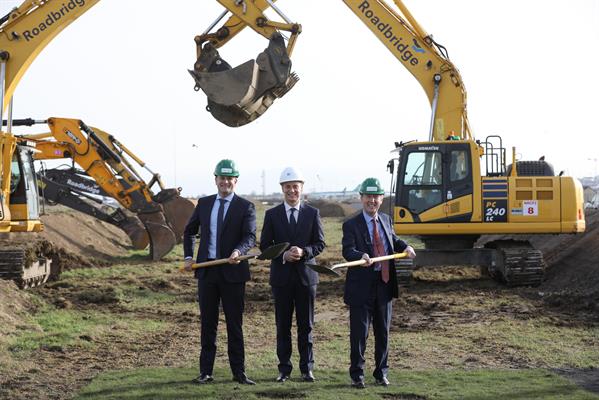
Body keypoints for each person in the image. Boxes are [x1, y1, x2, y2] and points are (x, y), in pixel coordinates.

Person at [183, 159, 257, 385]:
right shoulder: (204, 204)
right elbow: (189, 232)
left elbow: (250, 237)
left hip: (233, 273)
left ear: (235, 181)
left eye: (229, 178)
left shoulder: (246, 207)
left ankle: (239, 372)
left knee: (234, 324)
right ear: (215, 179)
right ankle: (206, 372)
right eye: (221, 178)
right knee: (208, 323)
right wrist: (188, 256)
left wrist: (238, 250)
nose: (225, 182)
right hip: (207, 273)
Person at [341, 177, 416, 389]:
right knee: (359, 334)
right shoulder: (351, 224)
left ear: (381, 199)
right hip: (361, 287)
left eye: (376, 196)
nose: (372, 201)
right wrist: (361, 255)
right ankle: (357, 375)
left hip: (384, 284)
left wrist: (406, 246)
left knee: (382, 332)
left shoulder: (385, 219)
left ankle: (381, 373)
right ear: (361, 198)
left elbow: (393, 240)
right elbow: (347, 250)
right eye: (368, 197)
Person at [260, 167, 325, 383]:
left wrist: (304, 252)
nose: (292, 191)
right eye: (288, 187)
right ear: (282, 189)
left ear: (301, 188)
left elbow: (320, 243)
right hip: (281, 279)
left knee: (306, 326)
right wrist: (283, 255)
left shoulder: (312, 213)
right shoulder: (272, 215)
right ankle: (284, 370)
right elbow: (264, 246)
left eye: (295, 187)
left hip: (307, 279)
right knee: (283, 326)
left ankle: (307, 369)